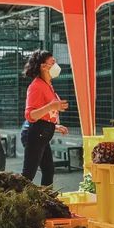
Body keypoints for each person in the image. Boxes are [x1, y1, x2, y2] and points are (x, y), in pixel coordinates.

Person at [22, 50, 69, 185]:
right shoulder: (36, 86)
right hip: (36, 133)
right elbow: (30, 115)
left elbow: (47, 113)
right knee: (28, 175)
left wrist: (55, 125)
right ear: (43, 66)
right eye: (52, 62)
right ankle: (17, 201)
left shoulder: (47, 85)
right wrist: (51, 106)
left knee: (48, 170)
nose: (56, 65)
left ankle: (46, 203)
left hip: (43, 132)